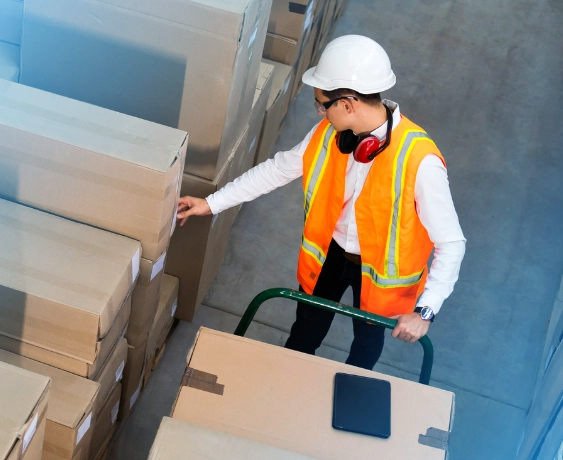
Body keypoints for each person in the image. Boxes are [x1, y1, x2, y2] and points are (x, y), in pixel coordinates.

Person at [176, 35, 465, 370]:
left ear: (348, 103)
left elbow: (451, 243)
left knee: (366, 346)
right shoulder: (329, 136)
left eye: (323, 104)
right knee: (304, 333)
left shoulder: (419, 160)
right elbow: (277, 170)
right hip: (330, 255)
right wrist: (211, 203)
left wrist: (425, 312)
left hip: (379, 278)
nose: (320, 112)